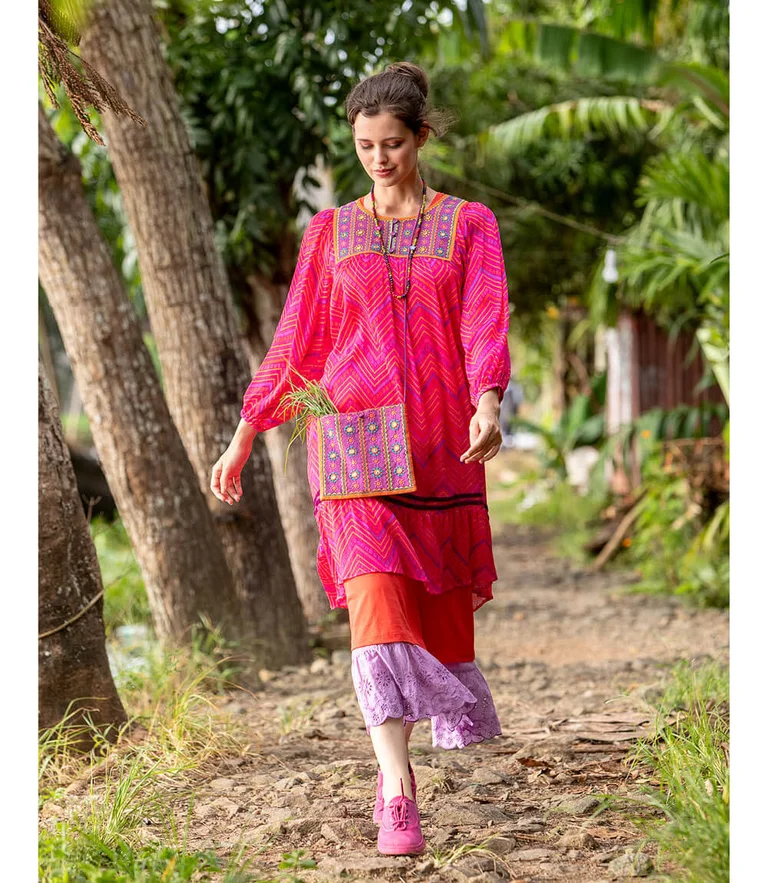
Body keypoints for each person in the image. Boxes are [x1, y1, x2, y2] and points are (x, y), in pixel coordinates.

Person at [210, 61, 511, 857]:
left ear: (420, 138)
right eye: (364, 145)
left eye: (392, 144)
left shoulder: (471, 223)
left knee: (431, 608)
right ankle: (395, 786)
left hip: (443, 443)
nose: (378, 159)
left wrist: (488, 400)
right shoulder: (329, 232)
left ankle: (409, 762)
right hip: (350, 440)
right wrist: (247, 430)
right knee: (376, 601)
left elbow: (484, 319)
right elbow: (297, 339)